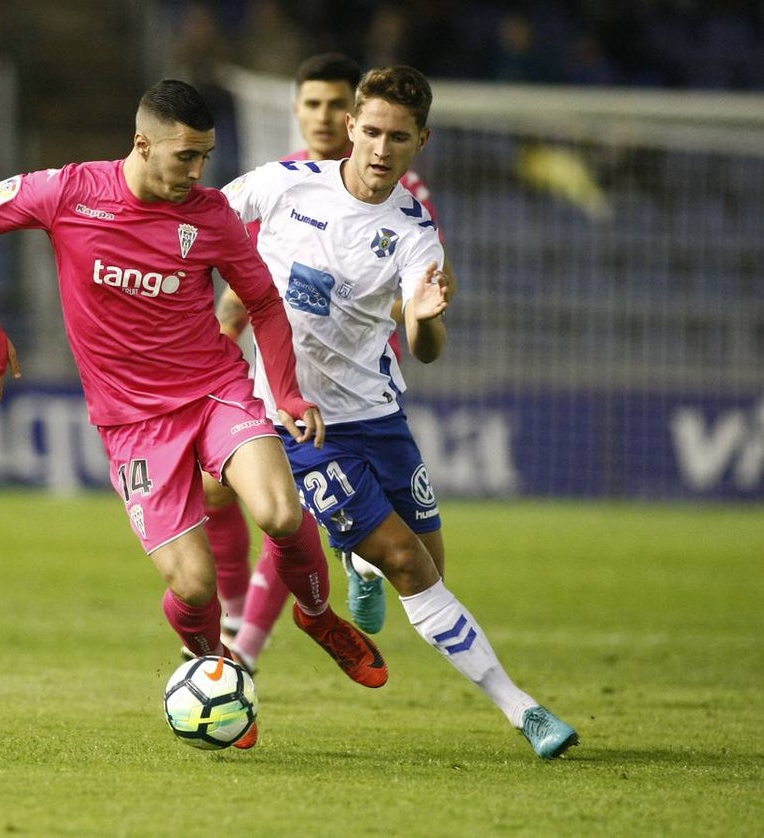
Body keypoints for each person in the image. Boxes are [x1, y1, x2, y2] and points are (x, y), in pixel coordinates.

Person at [0, 78, 390, 752]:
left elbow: (262, 302)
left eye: (206, 156)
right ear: (142, 143)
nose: (198, 172)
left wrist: (288, 394)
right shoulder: (69, 192)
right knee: (194, 584)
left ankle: (318, 616)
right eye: (186, 157)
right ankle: (214, 667)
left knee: (281, 513)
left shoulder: (209, 216)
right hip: (132, 426)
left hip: (215, 392)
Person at [220, 65, 578, 758]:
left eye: (400, 138)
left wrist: (423, 319)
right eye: (373, 132)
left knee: (432, 570)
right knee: (408, 564)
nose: (382, 149)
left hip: (378, 414)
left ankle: (356, 566)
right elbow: (203, 222)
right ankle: (525, 711)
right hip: (301, 422)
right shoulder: (281, 184)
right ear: (351, 128)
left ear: (422, 142)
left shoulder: (414, 233)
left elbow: (428, 346)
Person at [199, 53, 456, 673]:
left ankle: (264, 634)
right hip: (283, 378)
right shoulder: (287, 180)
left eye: (332, 104)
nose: (322, 117)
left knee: (319, 523)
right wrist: (226, 320)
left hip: (362, 383)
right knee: (228, 494)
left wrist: (412, 310)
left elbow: (400, 292)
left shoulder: (405, 199)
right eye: (311, 105)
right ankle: (247, 631)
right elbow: (257, 262)